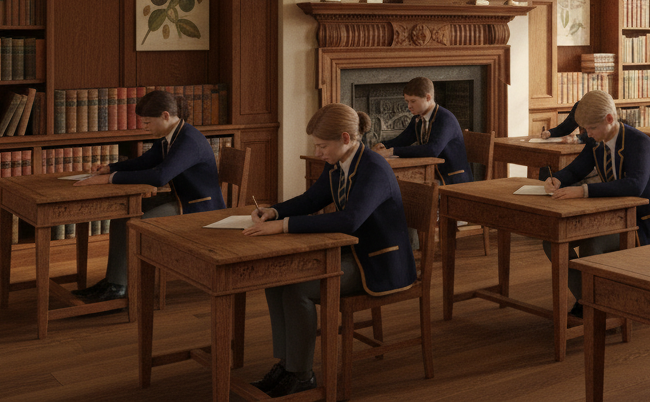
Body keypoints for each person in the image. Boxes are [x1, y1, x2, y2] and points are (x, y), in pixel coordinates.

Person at [245, 103, 416, 398]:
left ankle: (302, 375)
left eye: (322, 146)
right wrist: (275, 211)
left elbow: (350, 220)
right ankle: (287, 365)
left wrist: (283, 226)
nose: (318, 152)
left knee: (297, 288)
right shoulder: (339, 162)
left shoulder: (374, 168)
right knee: (276, 279)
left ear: (345, 138)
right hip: (353, 252)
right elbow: (312, 199)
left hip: (379, 263)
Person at [72, 90, 223, 302]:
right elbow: (145, 161)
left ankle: (120, 287)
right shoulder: (171, 135)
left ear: (165, 115)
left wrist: (110, 179)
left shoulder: (189, 140)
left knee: (134, 223)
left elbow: (160, 176)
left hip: (198, 207)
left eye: (147, 122)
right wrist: (110, 168)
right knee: (121, 215)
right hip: (181, 199)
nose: (144, 127)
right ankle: (114, 282)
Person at [543, 90, 650, 315]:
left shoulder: (639, 142)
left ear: (609, 119)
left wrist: (583, 191)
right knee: (551, 240)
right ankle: (591, 300)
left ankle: (597, 307)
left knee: (592, 245)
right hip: (611, 218)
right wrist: (557, 179)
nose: (588, 134)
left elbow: (634, 186)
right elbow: (577, 169)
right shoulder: (596, 141)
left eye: (591, 128)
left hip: (643, 225)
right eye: (585, 129)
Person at [377, 76, 472, 185]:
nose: (409, 106)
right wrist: (382, 146)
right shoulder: (418, 119)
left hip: (452, 178)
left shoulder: (445, 119)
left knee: (407, 186)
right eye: (407, 101)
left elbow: (432, 150)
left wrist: (392, 151)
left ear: (428, 97)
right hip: (432, 173)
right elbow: (403, 140)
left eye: (413, 101)